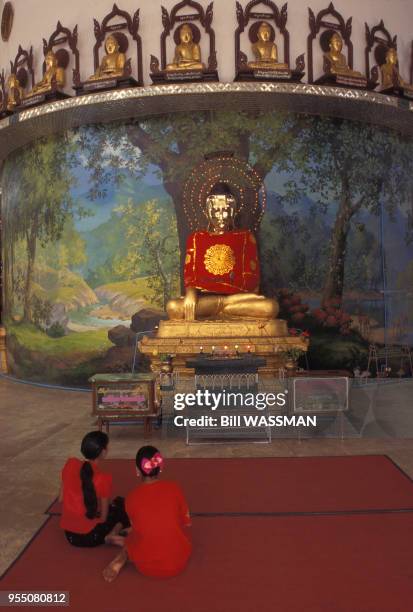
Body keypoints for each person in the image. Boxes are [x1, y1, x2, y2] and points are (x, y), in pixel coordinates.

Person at [103, 445, 191, 582]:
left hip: (146, 566)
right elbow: (185, 522)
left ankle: (120, 551)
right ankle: (120, 540)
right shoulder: (175, 488)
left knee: (135, 537)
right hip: (178, 560)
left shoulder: (132, 497)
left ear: (137, 470)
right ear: (160, 467)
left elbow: (139, 530)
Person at [60, 431, 130, 547]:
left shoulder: (70, 464)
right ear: (103, 452)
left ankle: (111, 535)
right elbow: (103, 517)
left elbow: (61, 499)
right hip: (92, 536)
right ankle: (112, 534)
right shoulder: (103, 478)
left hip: (70, 536)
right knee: (122, 506)